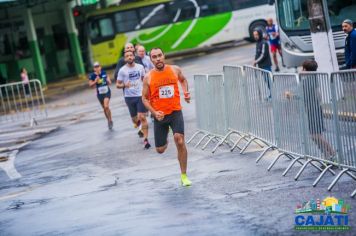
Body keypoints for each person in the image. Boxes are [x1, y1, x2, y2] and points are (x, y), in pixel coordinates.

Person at [142, 48, 192, 187]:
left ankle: (184, 176)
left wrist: (186, 92)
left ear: (164, 56)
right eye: (154, 57)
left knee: (180, 140)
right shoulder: (148, 77)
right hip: (160, 116)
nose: (157, 59)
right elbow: (144, 99)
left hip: (175, 112)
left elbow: (183, 80)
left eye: (159, 55)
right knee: (160, 150)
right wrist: (153, 112)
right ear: (151, 59)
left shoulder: (175, 69)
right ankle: (166, 138)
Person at [285, 60, 336, 162]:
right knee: (315, 136)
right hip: (313, 109)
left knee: (315, 135)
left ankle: (332, 153)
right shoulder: (313, 79)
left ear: (305, 70)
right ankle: (327, 156)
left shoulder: (307, 81)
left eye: (302, 68)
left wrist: (289, 95)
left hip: (313, 110)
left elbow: (301, 96)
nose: (301, 70)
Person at [116, 50, 151, 149]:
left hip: (140, 95)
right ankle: (138, 125)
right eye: (127, 56)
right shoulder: (122, 70)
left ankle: (145, 140)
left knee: (142, 117)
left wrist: (147, 90)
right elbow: (117, 85)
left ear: (134, 56)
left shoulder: (140, 67)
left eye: (131, 55)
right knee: (135, 119)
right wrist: (124, 85)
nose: (129, 57)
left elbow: (145, 79)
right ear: (125, 58)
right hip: (129, 97)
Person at [88, 62, 113, 130]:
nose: (97, 68)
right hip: (100, 94)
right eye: (95, 67)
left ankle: (110, 120)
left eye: (98, 66)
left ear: (100, 67)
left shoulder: (104, 73)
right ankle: (108, 120)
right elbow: (90, 85)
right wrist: (95, 81)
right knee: (104, 109)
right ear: (94, 69)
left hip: (107, 92)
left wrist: (108, 81)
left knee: (106, 106)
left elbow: (109, 81)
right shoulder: (92, 76)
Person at [253, 30, 273, 99]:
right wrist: (255, 60)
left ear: (260, 34)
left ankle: (272, 95)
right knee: (266, 81)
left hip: (266, 65)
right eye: (254, 35)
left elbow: (263, 54)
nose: (255, 36)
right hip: (261, 65)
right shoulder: (257, 43)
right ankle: (271, 94)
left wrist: (256, 61)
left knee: (269, 80)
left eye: (256, 35)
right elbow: (257, 53)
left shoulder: (264, 43)